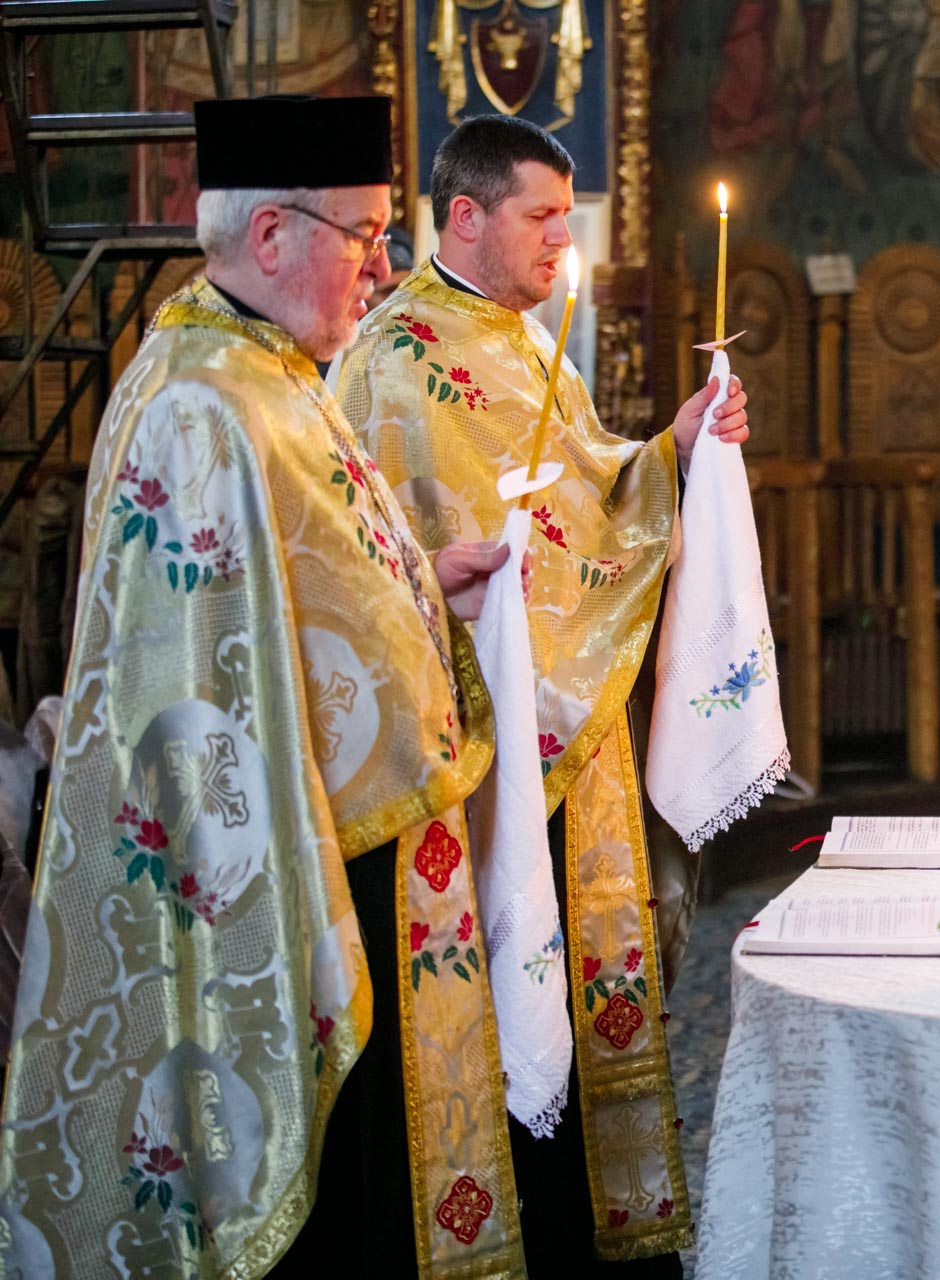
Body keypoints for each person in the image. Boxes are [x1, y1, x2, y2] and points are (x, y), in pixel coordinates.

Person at [0, 96, 537, 1278]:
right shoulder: (200, 401)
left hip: (345, 829)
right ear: (273, 235)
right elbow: (203, 663)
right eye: (366, 236)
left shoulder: (266, 367)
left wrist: (422, 580)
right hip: (282, 864)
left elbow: (289, 593)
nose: (383, 268)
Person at [332, 115, 746, 1272]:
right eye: (544, 217)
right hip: (467, 767)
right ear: (466, 216)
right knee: (490, 1017)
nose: (565, 240)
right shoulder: (393, 358)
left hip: (563, 734)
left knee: (574, 993)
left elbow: (588, 489)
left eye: (569, 217)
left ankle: (582, 1242)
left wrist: (673, 449)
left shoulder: (523, 342)